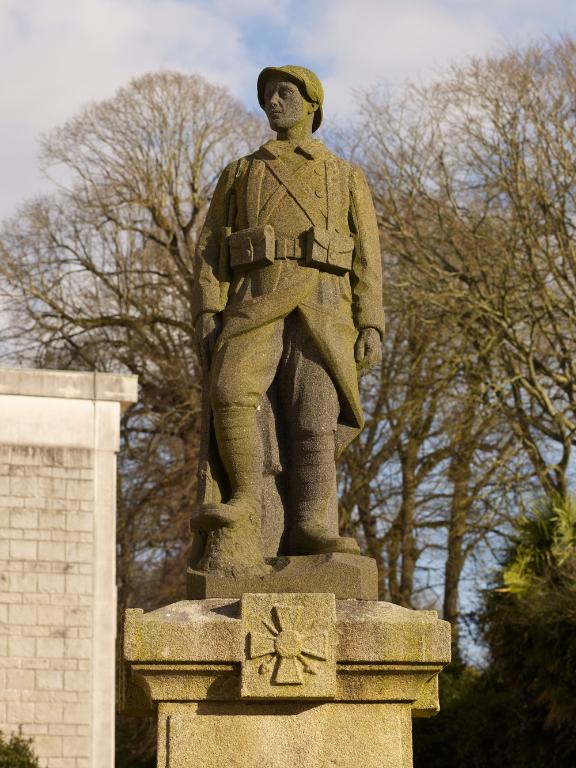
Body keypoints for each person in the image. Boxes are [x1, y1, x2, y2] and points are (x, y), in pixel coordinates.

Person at [192, 65, 384, 557]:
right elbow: (210, 249)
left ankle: (312, 524)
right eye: (267, 96)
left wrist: (371, 322)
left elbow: (368, 256)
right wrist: (208, 311)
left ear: (312, 103)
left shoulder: (345, 175)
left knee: (314, 415)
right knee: (230, 392)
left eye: (284, 93)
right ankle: (245, 503)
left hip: (323, 305)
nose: (273, 103)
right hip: (254, 300)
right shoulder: (240, 172)